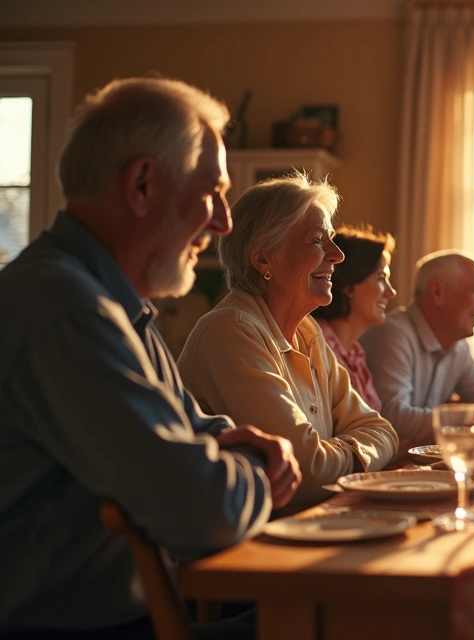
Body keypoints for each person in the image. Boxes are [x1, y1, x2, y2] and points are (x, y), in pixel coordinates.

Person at [0, 77, 300, 636]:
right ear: (141, 185)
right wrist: (261, 466)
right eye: (212, 192)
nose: (223, 221)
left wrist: (230, 453)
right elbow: (201, 510)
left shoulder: (111, 301)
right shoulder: (64, 308)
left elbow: (194, 433)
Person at [178, 173, 398, 511]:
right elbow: (307, 474)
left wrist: (334, 455)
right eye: (317, 241)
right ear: (264, 259)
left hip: (308, 529)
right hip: (250, 548)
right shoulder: (231, 333)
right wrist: (355, 455)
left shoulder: (308, 332)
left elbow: (381, 430)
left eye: (333, 239)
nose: (337, 255)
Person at [361, 250, 474, 447]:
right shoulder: (392, 334)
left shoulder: (458, 346)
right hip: (384, 471)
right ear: (437, 292)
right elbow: (391, 416)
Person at [310, 224, 397, 412]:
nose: (391, 292)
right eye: (381, 278)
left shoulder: (354, 353)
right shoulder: (316, 345)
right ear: (349, 285)